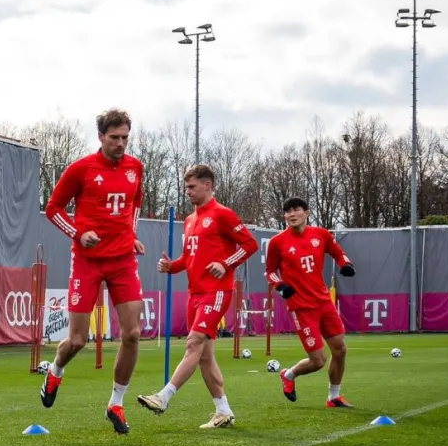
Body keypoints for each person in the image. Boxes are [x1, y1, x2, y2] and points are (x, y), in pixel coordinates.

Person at [41, 108, 145, 434]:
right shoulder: (82, 169)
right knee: (77, 340)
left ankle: (116, 402)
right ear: (100, 136)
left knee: (132, 334)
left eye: (125, 138)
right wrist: (78, 233)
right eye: (114, 138)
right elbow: (52, 208)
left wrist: (133, 234)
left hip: (123, 261)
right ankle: (56, 371)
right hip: (87, 261)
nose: (120, 144)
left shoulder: (135, 168)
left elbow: (135, 203)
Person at [136, 165, 259, 428]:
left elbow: (250, 244)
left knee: (193, 343)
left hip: (216, 292)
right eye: (186, 187)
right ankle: (223, 411)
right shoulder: (191, 220)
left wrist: (225, 264)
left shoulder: (222, 214)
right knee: (204, 356)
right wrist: (173, 266)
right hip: (195, 293)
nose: (188, 192)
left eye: (192, 187)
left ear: (208, 185)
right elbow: (190, 258)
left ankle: (163, 397)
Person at [265, 197, 355, 407]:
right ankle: (288, 375)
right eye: (287, 211)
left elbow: (338, 253)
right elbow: (270, 272)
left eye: (296, 210)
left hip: (324, 302)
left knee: (340, 349)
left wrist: (346, 264)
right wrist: (280, 285)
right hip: (301, 307)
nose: (291, 215)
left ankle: (334, 397)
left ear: (307, 212)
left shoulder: (322, 234)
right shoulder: (278, 242)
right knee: (318, 361)